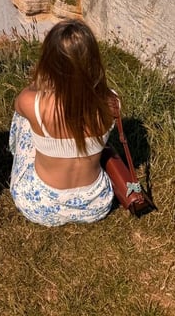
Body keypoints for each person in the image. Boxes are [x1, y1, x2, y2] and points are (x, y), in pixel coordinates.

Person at [9, 19, 116, 226]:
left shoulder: (32, 102)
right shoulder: (112, 102)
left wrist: (41, 81)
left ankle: (13, 153)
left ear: (49, 62)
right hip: (96, 204)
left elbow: (18, 106)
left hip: (39, 205)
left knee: (23, 120)